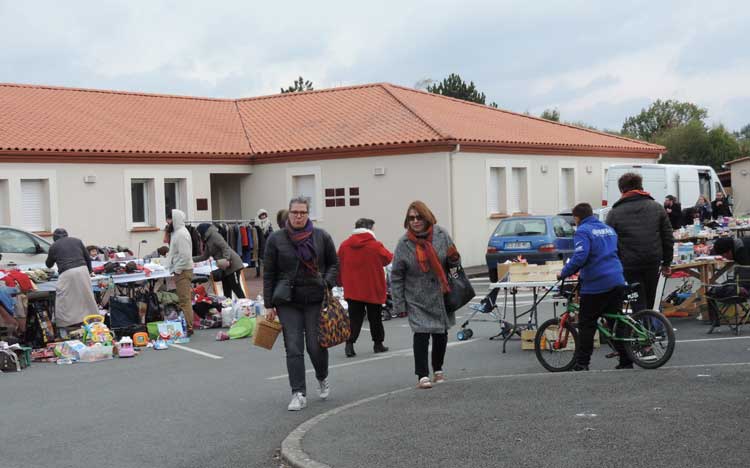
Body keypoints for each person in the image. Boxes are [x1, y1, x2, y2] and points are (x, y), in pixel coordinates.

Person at [263, 197, 339, 411]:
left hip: (315, 298)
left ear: (308, 214)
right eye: (294, 212)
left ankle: (322, 376)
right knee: (293, 347)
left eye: (302, 212)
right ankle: (298, 393)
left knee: (315, 346)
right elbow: (269, 273)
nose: (298, 216)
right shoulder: (276, 239)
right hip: (287, 300)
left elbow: (334, 264)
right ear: (288, 213)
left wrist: (327, 282)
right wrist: (268, 304)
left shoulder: (321, 236)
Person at [391, 201, 461, 390]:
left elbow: (454, 264)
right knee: (421, 335)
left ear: (427, 217)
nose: (415, 221)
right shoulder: (404, 243)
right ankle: (422, 375)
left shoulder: (441, 235)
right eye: (411, 218)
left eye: (419, 217)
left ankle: (437, 368)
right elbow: (396, 275)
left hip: (440, 294)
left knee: (441, 335)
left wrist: (455, 259)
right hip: (416, 297)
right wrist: (399, 304)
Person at [559, 203, 628, 370]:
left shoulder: (582, 231)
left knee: (587, 324)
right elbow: (619, 252)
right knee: (614, 321)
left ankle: (583, 363)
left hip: (597, 283)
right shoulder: (608, 229)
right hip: (616, 278)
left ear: (577, 218)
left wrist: (564, 273)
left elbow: (580, 256)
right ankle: (626, 360)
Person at [606, 172, 674, 313]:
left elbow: (609, 242)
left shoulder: (614, 212)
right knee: (650, 298)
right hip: (652, 259)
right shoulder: (657, 207)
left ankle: (641, 322)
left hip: (629, 263)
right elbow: (667, 237)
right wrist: (667, 263)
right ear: (641, 187)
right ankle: (650, 322)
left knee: (637, 300)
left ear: (622, 190)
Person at [338, 218, 393, 358]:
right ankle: (378, 344)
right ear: (369, 229)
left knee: (355, 318)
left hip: (353, 288)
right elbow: (387, 258)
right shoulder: (375, 245)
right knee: (375, 318)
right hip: (372, 287)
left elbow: (338, 263)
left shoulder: (344, 245)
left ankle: (349, 344)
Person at [45, 228, 98, 330]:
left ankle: (66, 324)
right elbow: (87, 258)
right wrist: (90, 271)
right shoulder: (77, 241)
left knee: (64, 298)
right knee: (85, 295)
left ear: (54, 237)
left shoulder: (54, 246)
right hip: (82, 269)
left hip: (66, 272)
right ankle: (92, 319)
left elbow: (48, 264)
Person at [706, 237, 750, 333]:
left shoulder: (742, 253)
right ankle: (715, 320)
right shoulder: (736, 245)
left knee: (713, 291)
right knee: (712, 291)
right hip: (741, 282)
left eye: (724, 255)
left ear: (729, 251)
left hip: (744, 285)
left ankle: (715, 321)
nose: (724, 258)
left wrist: (740, 287)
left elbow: (745, 278)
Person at [193, 223, 246, 299]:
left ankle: (246, 304)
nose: (198, 234)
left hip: (232, 264)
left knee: (236, 288)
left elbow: (225, 247)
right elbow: (205, 256)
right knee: (226, 290)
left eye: (198, 232)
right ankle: (228, 305)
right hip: (224, 267)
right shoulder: (207, 240)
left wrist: (226, 259)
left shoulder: (214, 236)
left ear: (203, 231)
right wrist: (191, 259)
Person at [165, 209, 194, 336]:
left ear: (175, 219)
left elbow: (185, 256)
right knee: (184, 300)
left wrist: (177, 269)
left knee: (184, 300)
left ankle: (189, 326)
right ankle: (188, 325)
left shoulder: (181, 234)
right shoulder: (177, 233)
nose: (168, 223)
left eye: (169, 220)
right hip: (181, 270)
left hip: (183, 271)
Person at [256, 208, 274, 277]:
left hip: (266, 243)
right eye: (262, 215)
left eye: (264, 215)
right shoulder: (256, 224)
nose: (263, 216)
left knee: (266, 259)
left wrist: (267, 233)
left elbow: (272, 233)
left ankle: (266, 272)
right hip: (258, 243)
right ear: (259, 216)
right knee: (257, 259)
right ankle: (258, 273)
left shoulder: (269, 223)